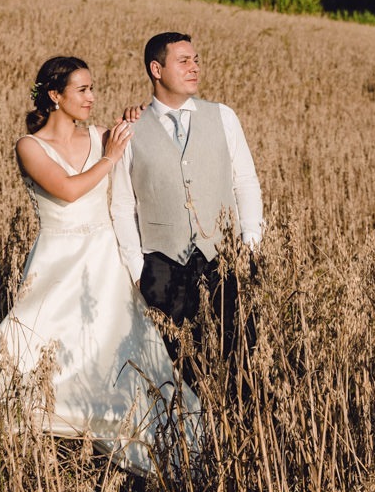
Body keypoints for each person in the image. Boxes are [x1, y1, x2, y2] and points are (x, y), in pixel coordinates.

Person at [0, 56, 199, 476]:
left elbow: (143, 132)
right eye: (83, 90)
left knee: (112, 341)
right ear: (55, 96)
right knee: (34, 344)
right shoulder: (29, 146)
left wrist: (133, 118)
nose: (92, 97)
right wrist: (108, 157)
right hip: (56, 261)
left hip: (103, 260)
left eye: (93, 89)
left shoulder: (99, 135)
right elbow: (70, 190)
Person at [109, 32, 263, 367]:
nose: (194, 67)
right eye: (184, 61)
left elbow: (246, 183)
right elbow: (122, 205)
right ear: (156, 69)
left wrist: (250, 246)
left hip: (225, 256)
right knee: (174, 365)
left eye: (196, 60)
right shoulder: (130, 129)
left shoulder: (223, 116)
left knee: (239, 356)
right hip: (163, 265)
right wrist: (138, 268)